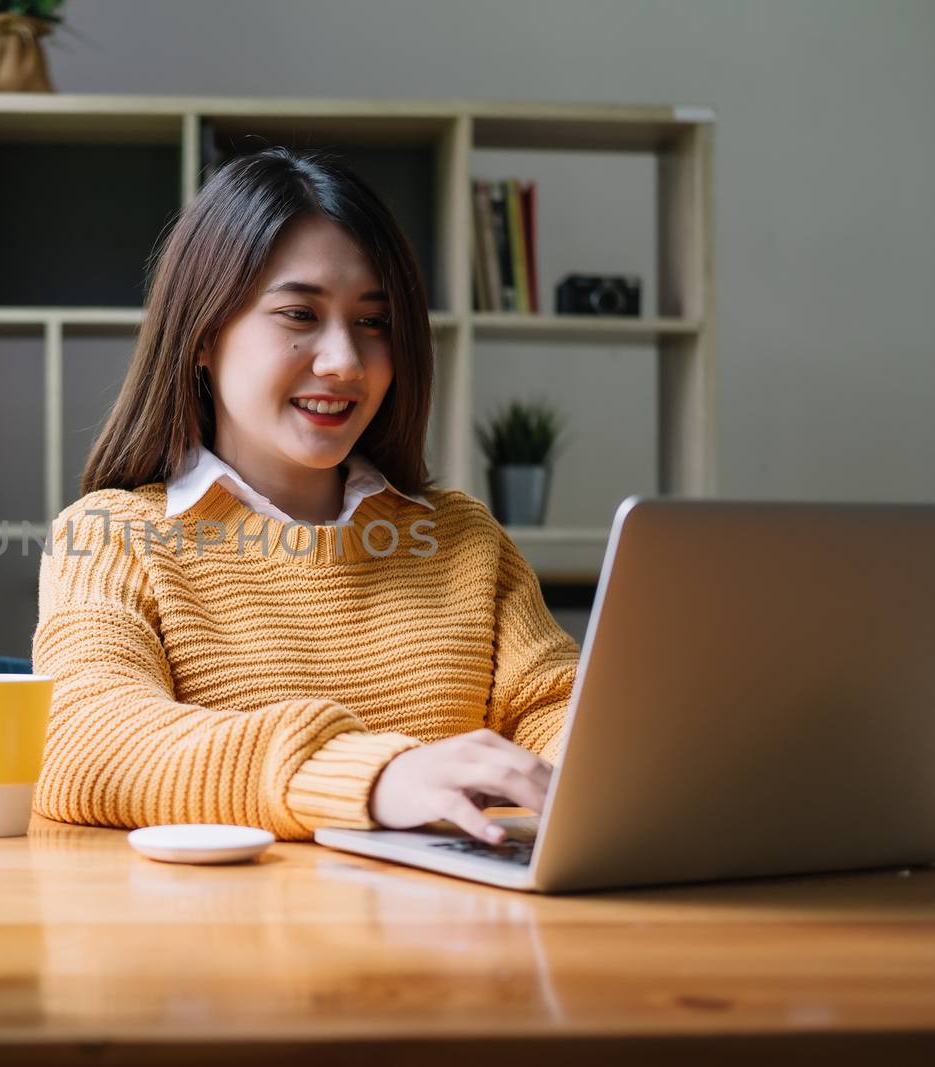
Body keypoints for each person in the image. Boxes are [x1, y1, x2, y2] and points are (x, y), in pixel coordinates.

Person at [31, 147, 577, 844]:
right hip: (213, 940)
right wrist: (374, 777)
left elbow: (558, 710)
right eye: (298, 314)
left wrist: (587, 774)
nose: (345, 362)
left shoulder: (463, 539)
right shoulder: (111, 536)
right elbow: (85, 736)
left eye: (374, 322)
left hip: (445, 938)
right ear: (202, 334)